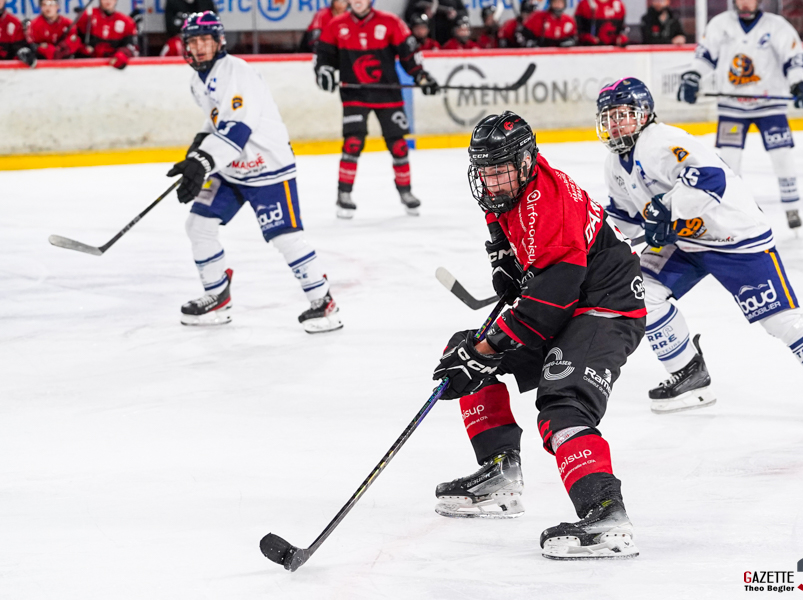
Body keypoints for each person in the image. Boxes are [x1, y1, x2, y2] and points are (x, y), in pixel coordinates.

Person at [596, 77, 803, 425]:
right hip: (684, 243)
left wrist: (667, 208)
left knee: (778, 319)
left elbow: (712, 179)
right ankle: (689, 374)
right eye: (608, 116)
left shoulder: (663, 142)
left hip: (733, 237)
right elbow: (626, 219)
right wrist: (592, 242)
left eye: (623, 114)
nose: (614, 124)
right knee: (639, 292)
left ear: (645, 114)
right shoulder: (614, 164)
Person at [432, 111, 647, 560]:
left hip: (606, 305)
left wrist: (486, 349)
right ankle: (499, 475)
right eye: (485, 172)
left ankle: (606, 513)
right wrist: (504, 263)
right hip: (573, 298)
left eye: (500, 171)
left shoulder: (548, 204)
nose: (491, 182)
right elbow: (499, 222)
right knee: (464, 347)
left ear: (526, 161)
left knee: (561, 403)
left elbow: (551, 301)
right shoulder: (509, 187)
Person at [168, 12, 342, 333]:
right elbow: (216, 123)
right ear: (186, 46)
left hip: (268, 168)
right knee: (198, 225)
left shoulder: (237, 72)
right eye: (194, 41)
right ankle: (217, 295)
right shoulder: (198, 81)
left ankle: (323, 303)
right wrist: (195, 155)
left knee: (285, 236)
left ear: (219, 42)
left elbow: (237, 129)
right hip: (232, 169)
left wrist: (203, 162)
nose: (201, 47)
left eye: (206, 40)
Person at [677, 0, 803, 230]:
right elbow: (704, 56)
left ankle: (792, 207)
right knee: (729, 161)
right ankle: (732, 208)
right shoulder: (720, 24)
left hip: (770, 104)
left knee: (782, 155)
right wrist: (693, 77)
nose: (745, 3)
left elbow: (794, 57)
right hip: (732, 106)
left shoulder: (776, 25)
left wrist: (799, 83)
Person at [315, 0, 439, 219]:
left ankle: (406, 191)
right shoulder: (336, 25)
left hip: (387, 92)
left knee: (399, 145)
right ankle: (344, 194)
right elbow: (324, 56)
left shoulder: (391, 22)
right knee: (352, 143)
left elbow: (409, 54)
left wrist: (421, 76)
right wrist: (323, 71)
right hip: (355, 94)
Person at [74, 0, 138, 69]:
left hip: (113, 69)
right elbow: (73, 39)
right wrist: (82, 48)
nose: (108, 1)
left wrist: (124, 53)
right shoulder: (87, 16)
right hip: (87, 68)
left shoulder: (126, 22)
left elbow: (132, 47)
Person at [19, 0, 79, 65]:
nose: (48, 8)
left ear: (57, 6)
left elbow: (74, 42)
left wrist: (57, 49)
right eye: (44, 5)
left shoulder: (68, 23)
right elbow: (33, 46)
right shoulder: (34, 25)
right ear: (41, 7)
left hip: (66, 63)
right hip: (42, 65)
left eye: (51, 4)